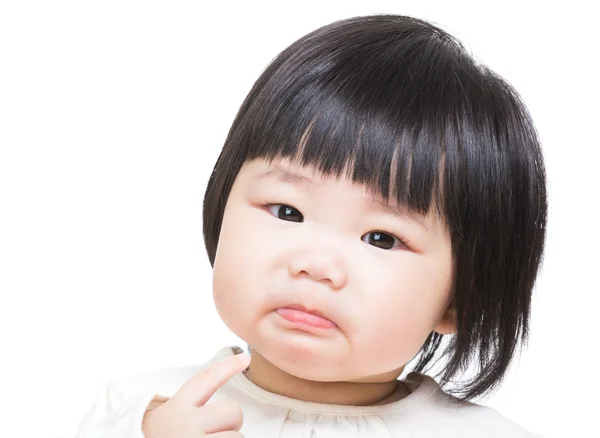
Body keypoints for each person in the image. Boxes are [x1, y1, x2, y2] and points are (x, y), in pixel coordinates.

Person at [68, 14, 547, 438]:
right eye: (286, 211)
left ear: (462, 294)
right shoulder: (141, 411)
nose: (316, 266)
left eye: (381, 238)